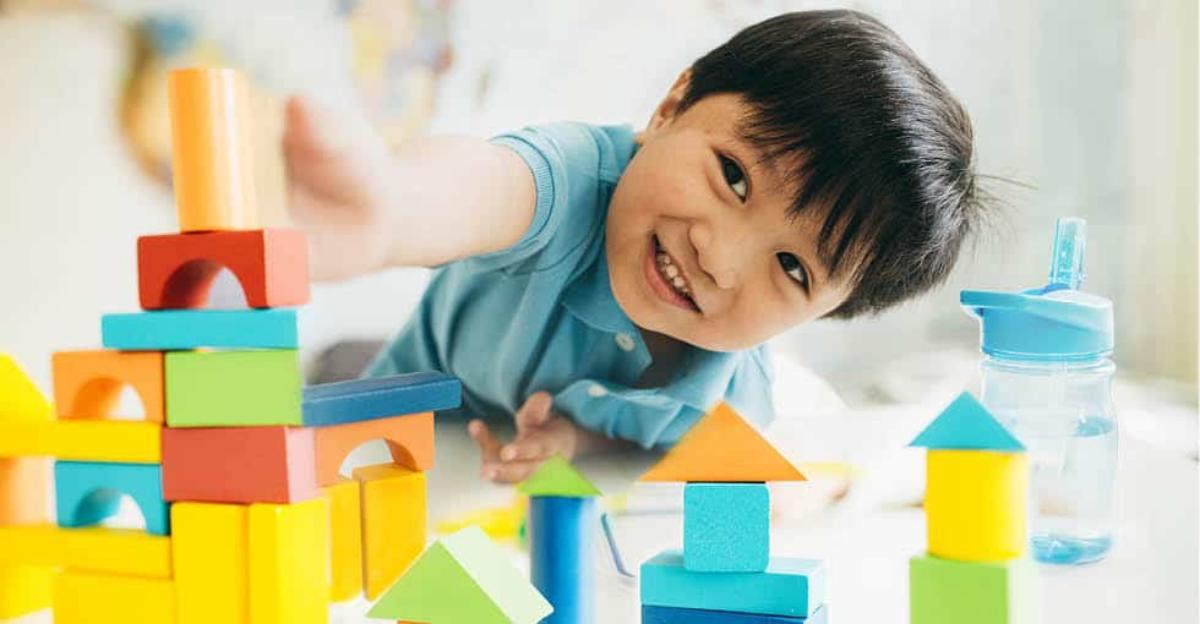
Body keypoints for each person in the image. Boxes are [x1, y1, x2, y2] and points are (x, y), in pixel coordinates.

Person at [284, 10, 985, 483]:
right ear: (670, 109)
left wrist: (575, 439)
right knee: (324, 387)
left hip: (496, 450)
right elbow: (488, 185)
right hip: (411, 385)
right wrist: (391, 208)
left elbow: (653, 435)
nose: (721, 258)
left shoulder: (730, 397)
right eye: (733, 176)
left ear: (820, 315)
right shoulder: (577, 181)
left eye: (793, 267)